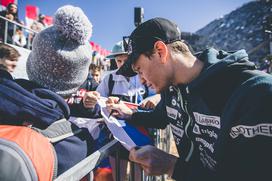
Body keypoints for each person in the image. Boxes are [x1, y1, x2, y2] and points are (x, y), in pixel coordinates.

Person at [107, 17, 272, 181]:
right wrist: (130, 114)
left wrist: (172, 166)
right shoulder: (171, 89)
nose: (141, 80)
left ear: (160, 51)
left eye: (140, 69)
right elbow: (159, 117)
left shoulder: (255, 93)